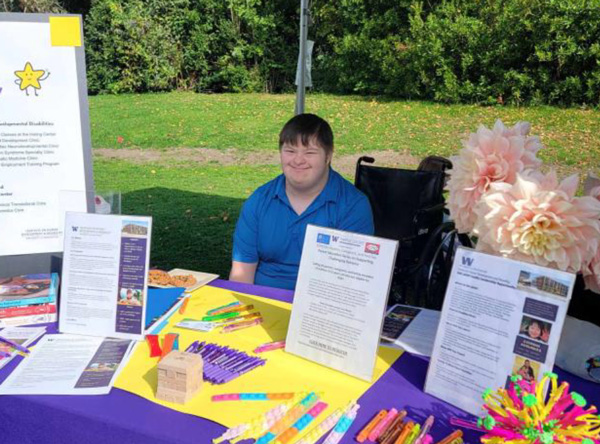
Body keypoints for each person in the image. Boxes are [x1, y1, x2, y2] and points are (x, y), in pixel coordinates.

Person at [230, 113, 374, 290]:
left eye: (310, 152)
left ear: (328, 155)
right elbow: (241, 274)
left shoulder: (353, 206)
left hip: (322, 307)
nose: (298, 160)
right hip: (261, 305)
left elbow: (350, 284)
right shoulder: (258, 201)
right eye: (290, 151)